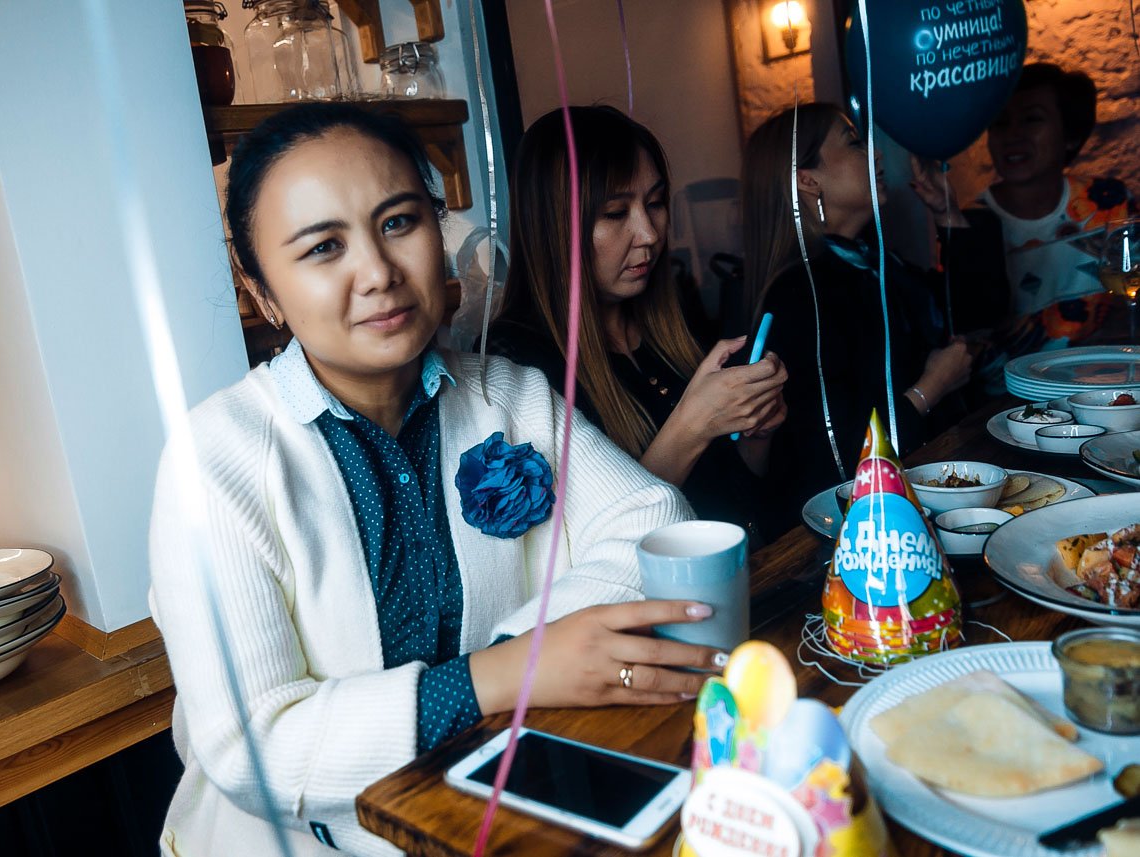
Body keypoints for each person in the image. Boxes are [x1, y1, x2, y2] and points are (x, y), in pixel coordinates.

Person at [147, 103, 720, 857]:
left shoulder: (508, 395)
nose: (379, 274)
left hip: (487, 810)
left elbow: (655, 518)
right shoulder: (216, 459)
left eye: (397, 223)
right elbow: (251, 749)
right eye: (323, 247)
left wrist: (527, 655)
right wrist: (500, 676)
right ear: (263, 293)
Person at [487, 106, 788, 544]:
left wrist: (757, 433)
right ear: (553, 226)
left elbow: (737, 496)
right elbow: (578, 551)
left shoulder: (674, 321)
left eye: (655, 203)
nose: (649, 234)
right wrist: (692, 424)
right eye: (614, 212)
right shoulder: (515, 361)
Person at [741, 103, 980, 519]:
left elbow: (976, 315)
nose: (876, 154)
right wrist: (932, 387)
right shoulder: (798, 295)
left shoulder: (871, 261)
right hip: (859, 522)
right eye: (854, 143)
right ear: (808, 180)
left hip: (921, 490)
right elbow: (834, 450)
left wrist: (947, 213)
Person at [962, 63, 1134, 381]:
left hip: (1108, 385)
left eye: (1031, 119)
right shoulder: (967, 226)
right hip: (1016, 399)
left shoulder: (1109, 203)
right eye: (1000, 123)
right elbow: (970, 349)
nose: (1013, 135)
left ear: (1070, 136)